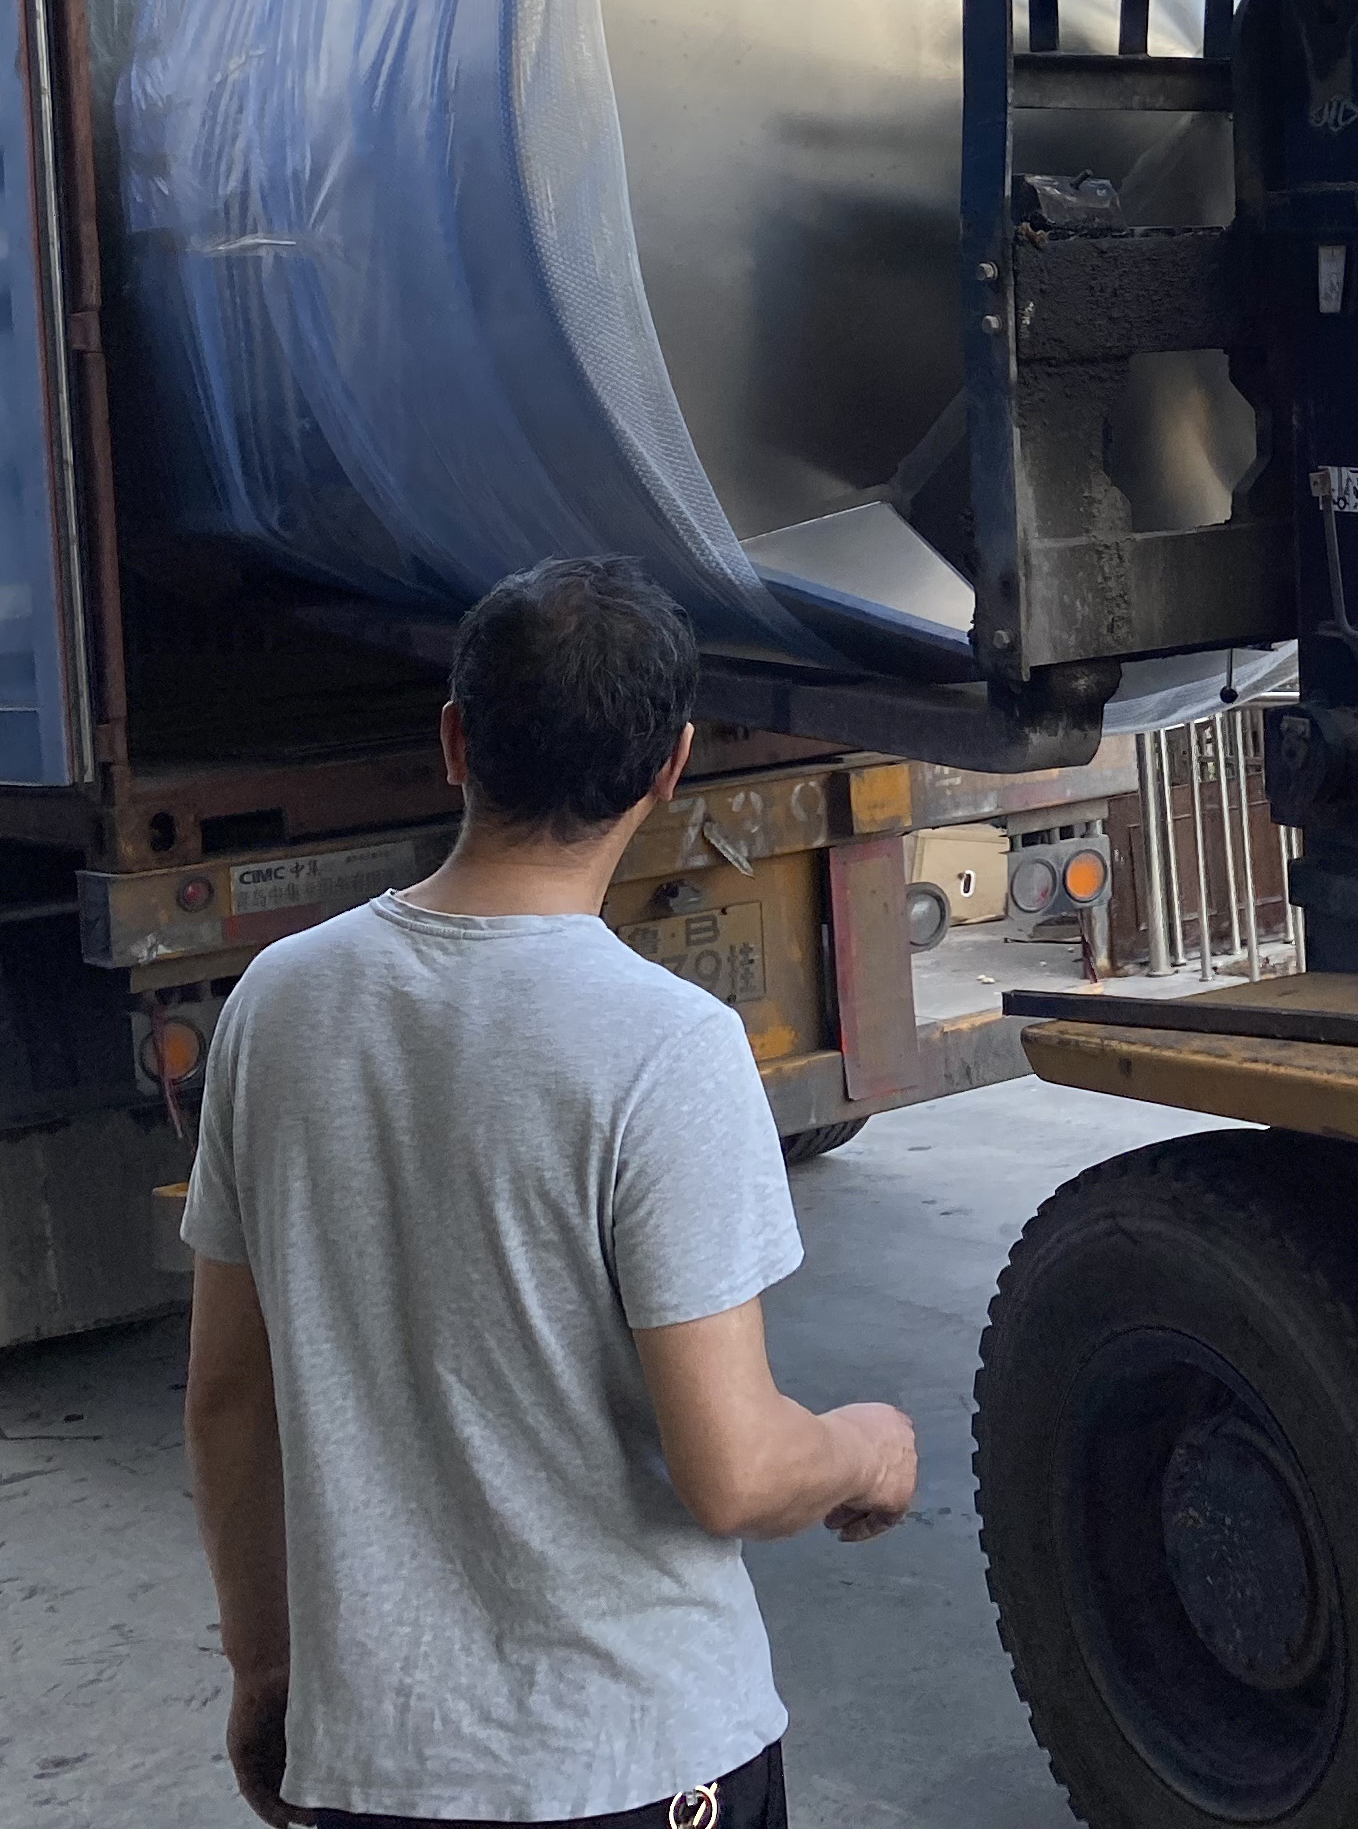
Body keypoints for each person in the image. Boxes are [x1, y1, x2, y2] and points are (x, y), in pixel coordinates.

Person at [183, 555, 915, 1829]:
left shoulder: (279, 1005)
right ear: (670, 768)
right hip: (638, 1761)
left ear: (455, 741)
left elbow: (229, 1400)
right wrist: (865, 1449)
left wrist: (265, 1664)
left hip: (378, 1770)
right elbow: (733, 1472)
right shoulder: (665, 1047)